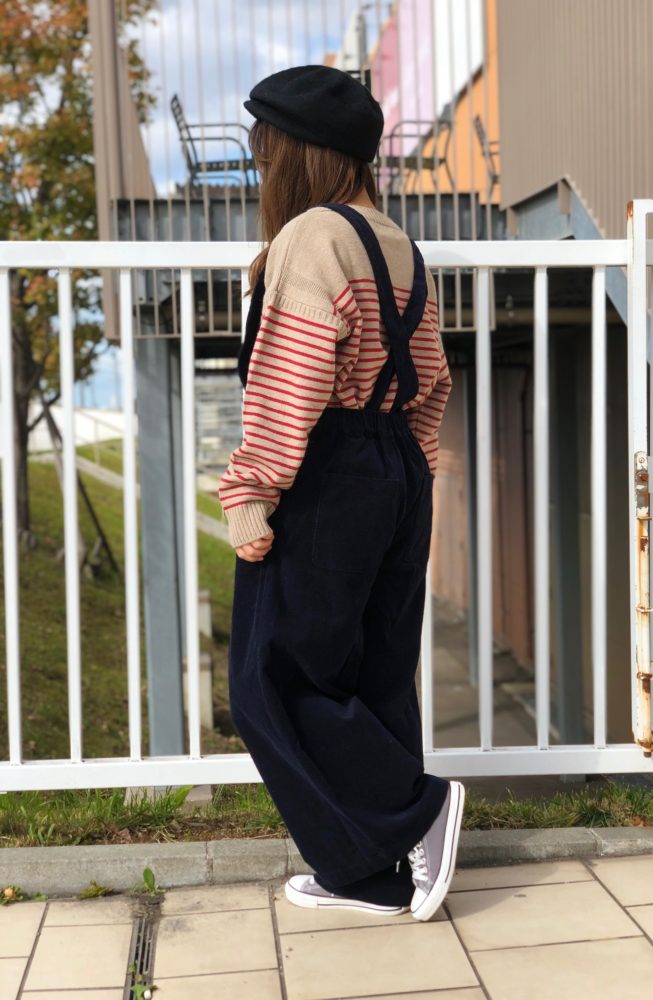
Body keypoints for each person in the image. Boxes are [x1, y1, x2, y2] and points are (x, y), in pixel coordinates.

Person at [218, 64, 464, 922]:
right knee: (375, 672)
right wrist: (411, 472)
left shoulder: (311, 239)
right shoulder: (399, 244)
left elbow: (289, 379)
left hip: (326, 469)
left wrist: (250, 491)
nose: (260, 166)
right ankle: (370, 873)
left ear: (293, 152)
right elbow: (432, 376)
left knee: (271, 679)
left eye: (264, 151)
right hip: (394, 467)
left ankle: (420, 810)